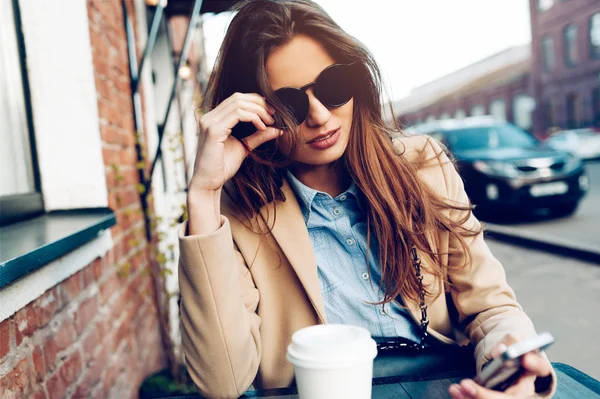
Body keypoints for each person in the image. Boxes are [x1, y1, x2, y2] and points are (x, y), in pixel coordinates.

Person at [178, 1, 556, 398]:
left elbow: (490, 305)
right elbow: (221, 382)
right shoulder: (236, 209)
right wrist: (203, 197)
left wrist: (509, 359)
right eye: (291, 103)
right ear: (255, 113)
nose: (321, 116)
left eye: (332, 87)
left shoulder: (423, 165)